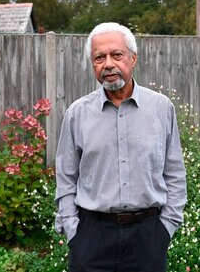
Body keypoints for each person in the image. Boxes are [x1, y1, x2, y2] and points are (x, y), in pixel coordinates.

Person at [54, 22, 187, 272]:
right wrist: (74, 233)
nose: (108, 64)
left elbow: (175, 173)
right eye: (99, 57)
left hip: (147, 238)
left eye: (117, 55)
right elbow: (65, 178)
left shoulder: (161, 108)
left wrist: (166, 229)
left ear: (133, 58)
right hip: (91, 239)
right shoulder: (77, 114)